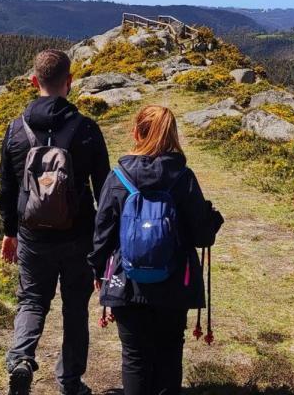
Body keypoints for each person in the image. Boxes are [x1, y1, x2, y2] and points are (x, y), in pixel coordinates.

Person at [0, 49, 111, 395]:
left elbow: (7, 187)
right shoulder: (87, 129)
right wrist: (104, 246)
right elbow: (104, 191)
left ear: (34, 82)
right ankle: (71, 383)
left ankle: (21, 358)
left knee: (32, 300)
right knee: (75, 309)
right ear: (70, 82)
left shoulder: (16, 129)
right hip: (78, 236)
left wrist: (10, 232)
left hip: (33, 235)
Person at [90, 105, 224, 395]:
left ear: (136, 132)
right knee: (169, 353)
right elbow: (202, 237)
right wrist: (213, 220)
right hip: (174, 283)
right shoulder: (183, 178)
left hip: (126, 283)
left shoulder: (118, 177)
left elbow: (102, 231)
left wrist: (98, 269)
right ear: (173, 135)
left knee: (135, 357)